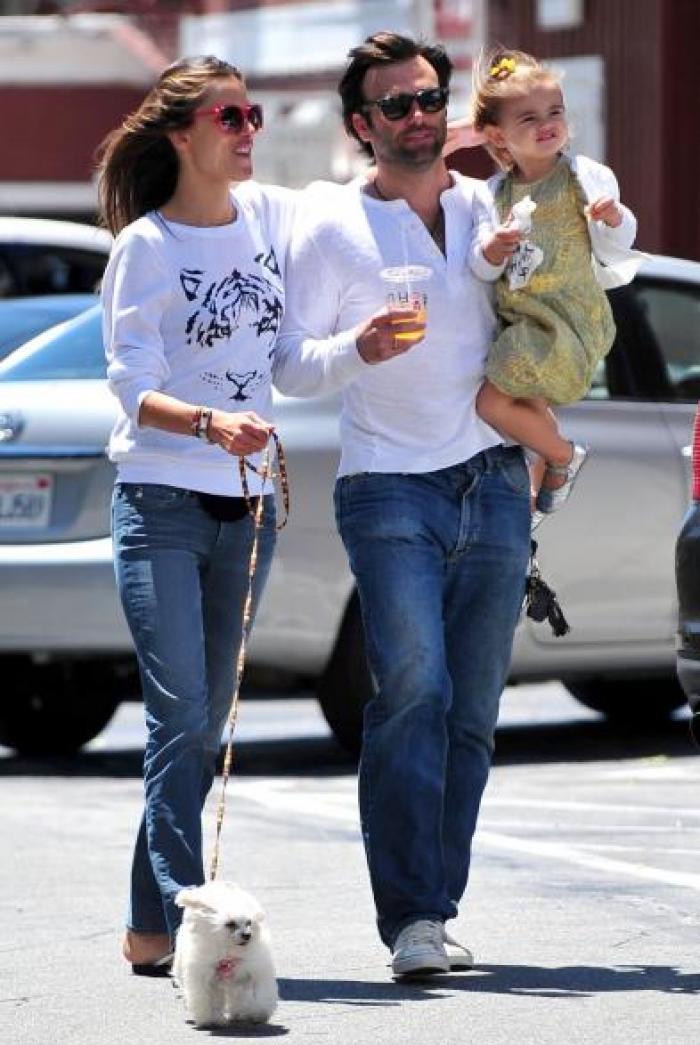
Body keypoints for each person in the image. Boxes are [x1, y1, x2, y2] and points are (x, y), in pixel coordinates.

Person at [273, 31, 531, 979]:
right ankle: (412, 918)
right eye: (396, 105)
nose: (418, 117)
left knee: (473, 709)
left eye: (429, 99)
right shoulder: (329, 223)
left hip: (495, 477)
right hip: (388, 485)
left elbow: (588, 280)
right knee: (413, 690)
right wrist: (359, 350)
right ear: (361, 125)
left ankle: (436, 904)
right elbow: (291, 364)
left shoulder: (488, 205)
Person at [96, 55, 297, 975]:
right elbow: (131, 386)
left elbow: (289, 358)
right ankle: (199, 926)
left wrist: (361, 347)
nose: (248, 130)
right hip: (161, 503)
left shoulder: (263, 222)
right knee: (179, 720)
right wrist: (211, 421)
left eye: (253, 114)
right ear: (181, 135)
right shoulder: (147, 246)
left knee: (203, 727)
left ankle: (149, 926)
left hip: (248, 509)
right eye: (229, 117)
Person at [465, 48, 645, 519]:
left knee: (491, 403)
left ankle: (563, 455)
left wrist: (613, 217)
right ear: (497, 135)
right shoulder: (492, 195)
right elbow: (480, 267)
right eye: (528, 117)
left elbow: (621, 238)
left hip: (568, 317)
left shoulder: (584, 177)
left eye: (555, 112)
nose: (547, 124)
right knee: (524, 404)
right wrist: (493, 250)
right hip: (523, 320)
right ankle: (545, 483)